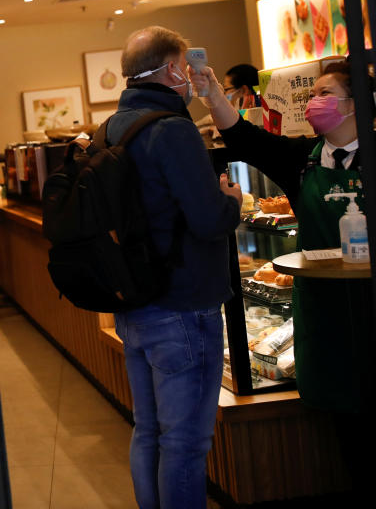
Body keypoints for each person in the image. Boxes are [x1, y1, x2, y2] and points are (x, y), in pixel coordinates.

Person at [191, 59, 375, 501]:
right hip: (327, 316)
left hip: (372, 306)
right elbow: (244, 138)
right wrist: (213, 93)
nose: (314, 103)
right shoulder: (302, 162)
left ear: (358, 106)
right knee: (350, 433)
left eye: (325, 94)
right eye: (313, 94)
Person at [107, 26, 242, 509]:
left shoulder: (113, 126)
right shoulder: (172, 128)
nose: (189, 76)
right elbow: (207, 220)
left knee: (148, 432)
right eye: (186, 67)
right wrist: (233, 202)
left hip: (137, 301)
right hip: (185, 303)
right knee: (185, 444)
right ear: (171, 71)